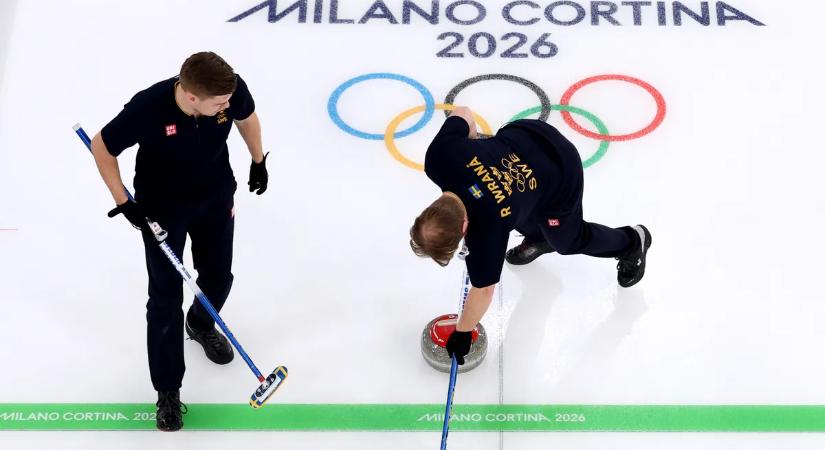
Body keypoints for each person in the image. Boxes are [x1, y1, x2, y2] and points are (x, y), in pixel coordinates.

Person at [90, 51, 269, 431]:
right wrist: (124, 203)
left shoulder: (228, 90)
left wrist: (258, 160)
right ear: (191, 97)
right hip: (162, 209)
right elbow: (102, 146)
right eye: (219, 104)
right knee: (165, 296)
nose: (227, 106)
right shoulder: (148, 108)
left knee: (219, 276)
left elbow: (246, 117)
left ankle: (201, 324)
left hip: (215, 195)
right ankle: (168, 390)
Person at [410, 106, 651, 366]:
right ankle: (540, 236)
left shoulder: (488, 229)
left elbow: (484, 291)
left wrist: (463, 332)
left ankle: (632, 242)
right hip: (525, 132)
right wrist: (476, 159)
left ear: (465, 228)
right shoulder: (440, 158)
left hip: (560, 170)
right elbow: (464, 113)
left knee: (568, 240)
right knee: (514, 206)